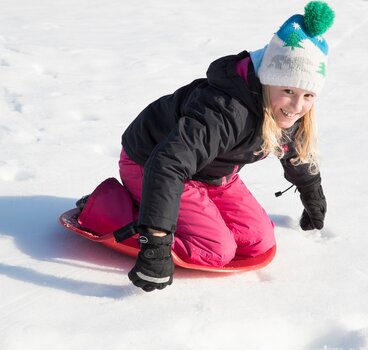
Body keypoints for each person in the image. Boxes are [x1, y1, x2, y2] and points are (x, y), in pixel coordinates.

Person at [117, 1, 334, 292]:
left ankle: (169, 212)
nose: (297, 106)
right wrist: (156, 243)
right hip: (149, 164)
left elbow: (294, 148)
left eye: (308, 95)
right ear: (269, 79)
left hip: (210, 173)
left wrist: (312, 192)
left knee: (259, 240)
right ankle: (116, 211)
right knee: (216, 250)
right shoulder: (225, 111)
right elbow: (168, 163)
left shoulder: (284, 110)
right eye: (288, 91)